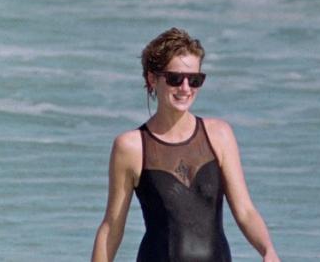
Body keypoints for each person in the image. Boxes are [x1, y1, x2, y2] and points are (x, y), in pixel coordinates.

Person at [92, 28, 280, 262]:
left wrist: (267, 250)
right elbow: (112, 227)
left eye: (194, 80)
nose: (185, 88)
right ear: (152, 79)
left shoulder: (219, 135)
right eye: (175, 78)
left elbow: (245, 211)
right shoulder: (132, 147)